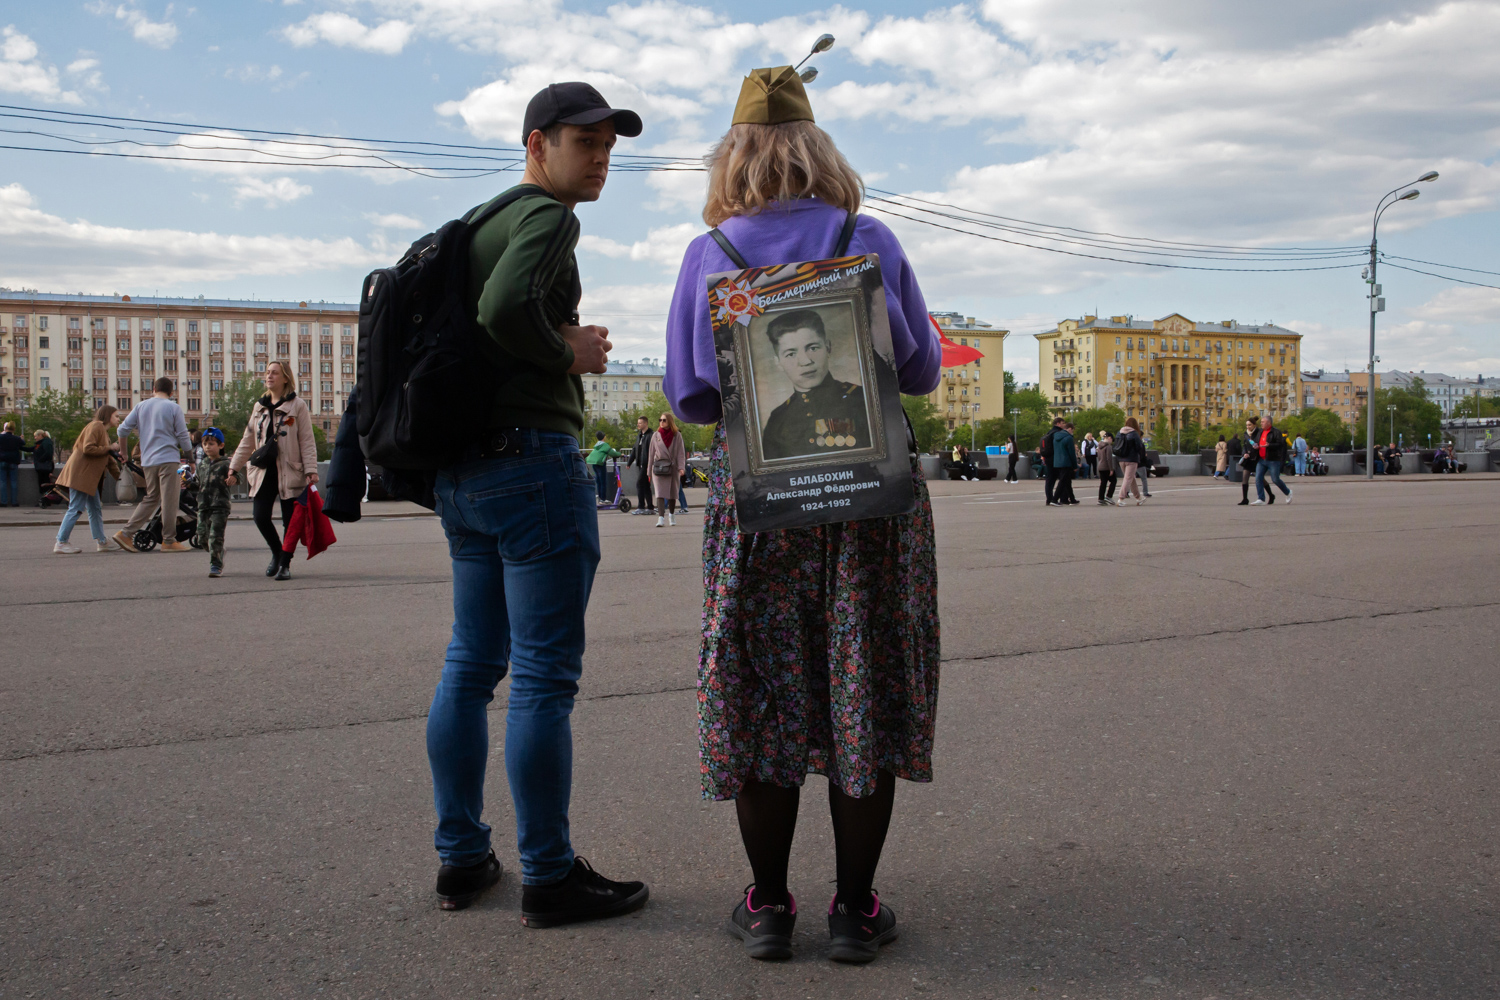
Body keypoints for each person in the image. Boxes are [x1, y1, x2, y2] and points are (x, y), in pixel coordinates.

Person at [663, 65, 941, 964]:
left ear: (734, 156)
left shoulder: (713, 254)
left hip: (759, 504)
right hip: (871, 504)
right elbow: (925, 371)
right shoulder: (871, 237)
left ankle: (770, 906)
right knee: (864, 678)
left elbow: (694, 396)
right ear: (818, 150)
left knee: (762, 688)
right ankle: (856, 911)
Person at [422, 81, 649, 923]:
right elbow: (503, 307)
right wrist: (568, 349)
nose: (598, 161)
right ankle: (549, 876)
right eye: (583, 144)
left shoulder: (475, 223)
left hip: (464, 474)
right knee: (544, 677)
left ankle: (461, 858)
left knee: (471, 664)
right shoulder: (547, 218)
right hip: (530, 462)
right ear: (536, 144)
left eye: (607, 148)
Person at [229, 360, 319, 581]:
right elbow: (248, 439)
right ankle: (277, 552)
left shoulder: (297, 406)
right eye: (267, 372)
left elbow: (307, 440)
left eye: (274, 373)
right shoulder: (259, 406)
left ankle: (285, 564)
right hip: (263, 471)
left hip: (290, 471)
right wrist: (233, 467)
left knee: (290, 522)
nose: (269, 376)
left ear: (285, 378)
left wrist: (311, 469)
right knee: (260, 516)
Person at [759, 309, 870, 460]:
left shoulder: (862, 400)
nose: (805, 361)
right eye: (791, 354)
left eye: (813, 348)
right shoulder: (778, 420)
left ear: (828, 347)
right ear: (778, 362)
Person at [113, 377, 195, 553]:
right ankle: (169, 540)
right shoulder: (173, 408)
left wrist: (124, 453)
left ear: (154, 389)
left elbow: (122, 430)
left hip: (148, 460)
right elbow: (183, 436)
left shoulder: (141, 406)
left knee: (152, 497)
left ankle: (125, 533)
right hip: (168, 459)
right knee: (170, 500)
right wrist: (191, 459)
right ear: (172, 392)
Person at [52, 405, 121, 553]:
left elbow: (108, 460)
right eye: (116, 416)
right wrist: (110, 448)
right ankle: (61, 542)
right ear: (108, 416)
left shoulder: (104, 433)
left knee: (95, 509)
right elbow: (88, 448)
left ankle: (102, 542)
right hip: (81, 476)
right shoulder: (96, 426)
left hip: (89, 479)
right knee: (76, 507)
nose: (118, 419)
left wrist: (121, 478)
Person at [193, 428, 235, 578]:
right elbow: (198, 483)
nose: (207, 447)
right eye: (205, 444)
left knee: (215, 536)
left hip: (220, 505)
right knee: (202, 537)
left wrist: (233, 478)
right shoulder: (202, 465)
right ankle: (218, 552)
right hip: (203, 505)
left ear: (221, 446)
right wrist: (188, 483)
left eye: (211, 444)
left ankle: (216, 564)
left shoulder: (226, 464)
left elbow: (238, 476)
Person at [648, 411, 686, 526]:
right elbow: (651, 453)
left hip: (672, 468)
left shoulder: (677, 435)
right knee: (659, 493)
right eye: (660, 420)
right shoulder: (655, 435)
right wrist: (649, 471)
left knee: (672, 493)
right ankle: (660, 518)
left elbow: (681, 453)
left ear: (669, 421)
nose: (662, 422)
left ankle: (672, 515)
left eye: (664, 420)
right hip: (659, 468)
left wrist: (681, 467)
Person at [1251, 415, 1293, 505]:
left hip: (1273, 460)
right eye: (1261, 422)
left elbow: (1280, 444)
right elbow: (1257, 441)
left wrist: (1269, 445)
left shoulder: (1276, 432)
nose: (1261, 423)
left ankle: (1288, 492)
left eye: (1263, 422)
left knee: (1275, 479)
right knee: (1258, 478)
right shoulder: (1260, 431)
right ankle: (1261, 498)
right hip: (1261, 459)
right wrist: (1256, 445)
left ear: (1269, 423)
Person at [1234, 420, 1272, 505]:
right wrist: (1244, 454)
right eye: (1247, 425)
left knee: (1260, 479)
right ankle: (1245, 499)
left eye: (1250, 425)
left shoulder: (1259, 432)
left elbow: (1261, 444)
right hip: (1248, 459)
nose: (1248, 427)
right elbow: (1245, 446)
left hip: (1257, 459)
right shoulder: (1246, 434)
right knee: (1245, 478)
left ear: (1254, 425)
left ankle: (1271, 495)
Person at [626, 415, 655, 514]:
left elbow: (654, 450)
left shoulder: (651, 435)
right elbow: (635, 450)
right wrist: (629, 462)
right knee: (646, 485)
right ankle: (650, 507)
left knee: (639, 483)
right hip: (640, 464)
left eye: (640, 423)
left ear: (646, 423)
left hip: (647, 464)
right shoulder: (639, 435)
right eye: (638, 423)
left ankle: (641, 506)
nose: (638, 425)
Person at [1114, 417, 1146, 505]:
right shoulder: (1134, 433)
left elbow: (1116, 445)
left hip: (1121, 459)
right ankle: (1121, 499)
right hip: (1131, 459)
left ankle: (1139, 497)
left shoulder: (1119, 433)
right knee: (1128, 478)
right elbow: (1139, 447)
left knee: (1131, 478)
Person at [585, 432, 620, 502]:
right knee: (603, 481)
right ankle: (603, 499)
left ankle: (600, 498)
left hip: (594, 464)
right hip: (601, 464)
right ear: (604, 437)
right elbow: (612, 453)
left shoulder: (596, 445)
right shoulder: (604, 445)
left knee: (598, 481)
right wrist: (620, 454)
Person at [1050, 421, 1078, 506]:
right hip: (1066, 462)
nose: (1072, 433)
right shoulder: (1068, 438)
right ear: (1069, 429)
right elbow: (1071, 453)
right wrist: (1075, 465)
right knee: (1062, 481)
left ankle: (1072, 499)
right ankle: (1054, 499)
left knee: (1067, 481)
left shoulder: (1056, 437)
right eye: (1072, 430)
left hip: (1057, 461)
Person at [0, 421, 25, 506]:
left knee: (2, 482)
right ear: (14, 429)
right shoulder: (16, 438)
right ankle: (14, 502)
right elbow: (23, 444)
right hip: (13, 462)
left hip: (2, 460)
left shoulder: (1, 437)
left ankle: (4, 502)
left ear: (5, 428)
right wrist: (21, 438)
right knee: (14, 482)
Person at [1041, 416, 1064, 505]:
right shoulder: (1058, 433)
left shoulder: (1049, 433)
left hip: (1048, 458)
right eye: (1062, 423)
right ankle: (1055, 499)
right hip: (1055, 458)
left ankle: (1049, 499)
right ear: (1058, 424)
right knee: (1060, 478)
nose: (1063, 425)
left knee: (1049, 479)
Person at [1096, 431, 1118, 505]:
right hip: (1106, 467)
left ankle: (1101, 498)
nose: (1111, 442)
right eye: (1112, 440)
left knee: (1103, 483)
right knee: (1114, 481)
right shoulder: (1108, 446)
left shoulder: (1099, 446)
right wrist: (1111, 469)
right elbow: (1109, 458)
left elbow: (1099, 457)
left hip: (1100, 466)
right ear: (1109, 438)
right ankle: (1109, 496)